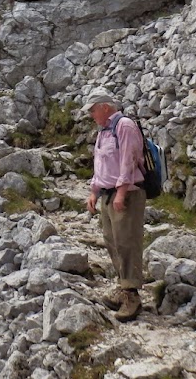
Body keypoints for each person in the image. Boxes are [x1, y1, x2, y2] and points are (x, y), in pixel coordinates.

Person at [83, 86, 146, 320]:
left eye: (92, 110)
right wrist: (94, 191)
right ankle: (123, 287)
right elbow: (101, 165)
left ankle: (132, 296)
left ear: (104, 107)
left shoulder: (124, 126)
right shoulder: (104, 131)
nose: (91, 115)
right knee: (112, 241)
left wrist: (120, 193)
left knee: (127, 242)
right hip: (108, 194)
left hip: (126, 194)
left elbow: (128, 161)